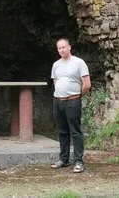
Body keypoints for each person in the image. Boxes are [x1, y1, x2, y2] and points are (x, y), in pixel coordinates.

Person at [50, 38, 91, 173]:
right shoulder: (56, 65)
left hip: (73, 100)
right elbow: (56, 81)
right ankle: (64, 159)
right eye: (59, 48)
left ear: (69, 47)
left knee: (75, 131)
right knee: (62, 131)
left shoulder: (79, 63)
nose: (62, 50)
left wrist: (76, 96)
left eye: (64, 47)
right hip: (58, 101)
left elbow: (86, 84)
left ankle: (79, 161)